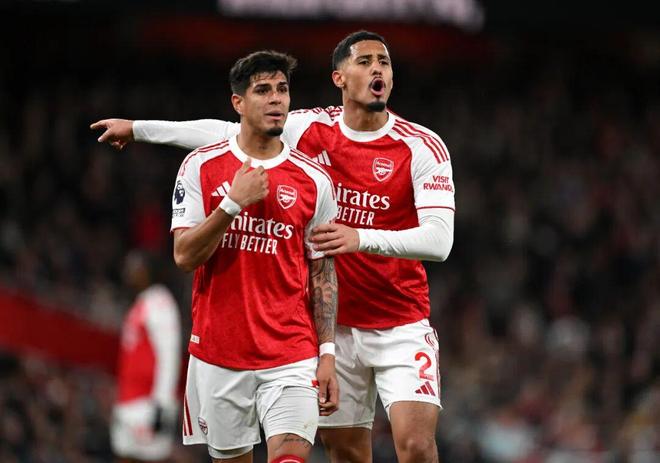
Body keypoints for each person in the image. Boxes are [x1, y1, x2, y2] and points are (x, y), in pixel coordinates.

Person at [92, 31, 454, 463]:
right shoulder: (309, 127)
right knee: (347, 452)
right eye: (365, 61)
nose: (378, 68)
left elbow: (439, 240)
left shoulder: (420, 145)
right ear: (339, 77)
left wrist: (360, 237)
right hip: (333, 327)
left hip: (399, 320)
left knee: (416, 445)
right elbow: (229, 132)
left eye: (385, 62)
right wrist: (139, 129)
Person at [165, 50, 338, 463]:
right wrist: (232, 204)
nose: (276, 98)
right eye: (263, 90)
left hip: (291, 353)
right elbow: (184, 256)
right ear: (238, 103)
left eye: (282, 89)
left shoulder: (315, 180)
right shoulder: (201, 166)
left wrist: (328, 354)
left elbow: (323, 272)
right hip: (219, 354)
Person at [112, 250, 182, 463]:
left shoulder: (159, 302)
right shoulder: (141, 303)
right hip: (129, 399)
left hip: (147, 403)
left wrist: (162, 405)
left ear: (147, 271)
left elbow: (169, 355)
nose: (128, 272)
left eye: (134, 267)